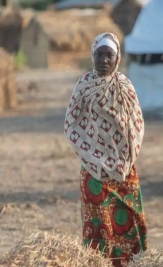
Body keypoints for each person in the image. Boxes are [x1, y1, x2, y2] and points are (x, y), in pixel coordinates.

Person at [64, 32, 147, 267]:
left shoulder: (125, 87)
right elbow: (72, 125)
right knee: (98, 224)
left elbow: (137, 126)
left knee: (131, 220)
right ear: (93, 55)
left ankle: (133, 263)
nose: (104, 60)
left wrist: (123, 160)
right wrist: (95, 157)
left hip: (124, 169)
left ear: (117, 57)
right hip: (93, 171)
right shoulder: (84, 85)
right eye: (99, 54)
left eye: (109, 55)